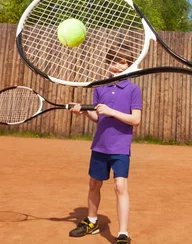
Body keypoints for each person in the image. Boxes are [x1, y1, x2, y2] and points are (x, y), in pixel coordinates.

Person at [68, 44, 142, 244]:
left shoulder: (133, 89)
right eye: (112, 61)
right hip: (100, 145)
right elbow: (97, 116)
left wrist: (111, 111)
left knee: (120, 186)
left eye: (121, 62)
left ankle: (123, 233)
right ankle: (92, 221)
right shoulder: (100, 87)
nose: (116, 66)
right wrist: (84, 112)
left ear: (129, 65)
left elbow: (136, 119)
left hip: (120, 147)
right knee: (94, 183)